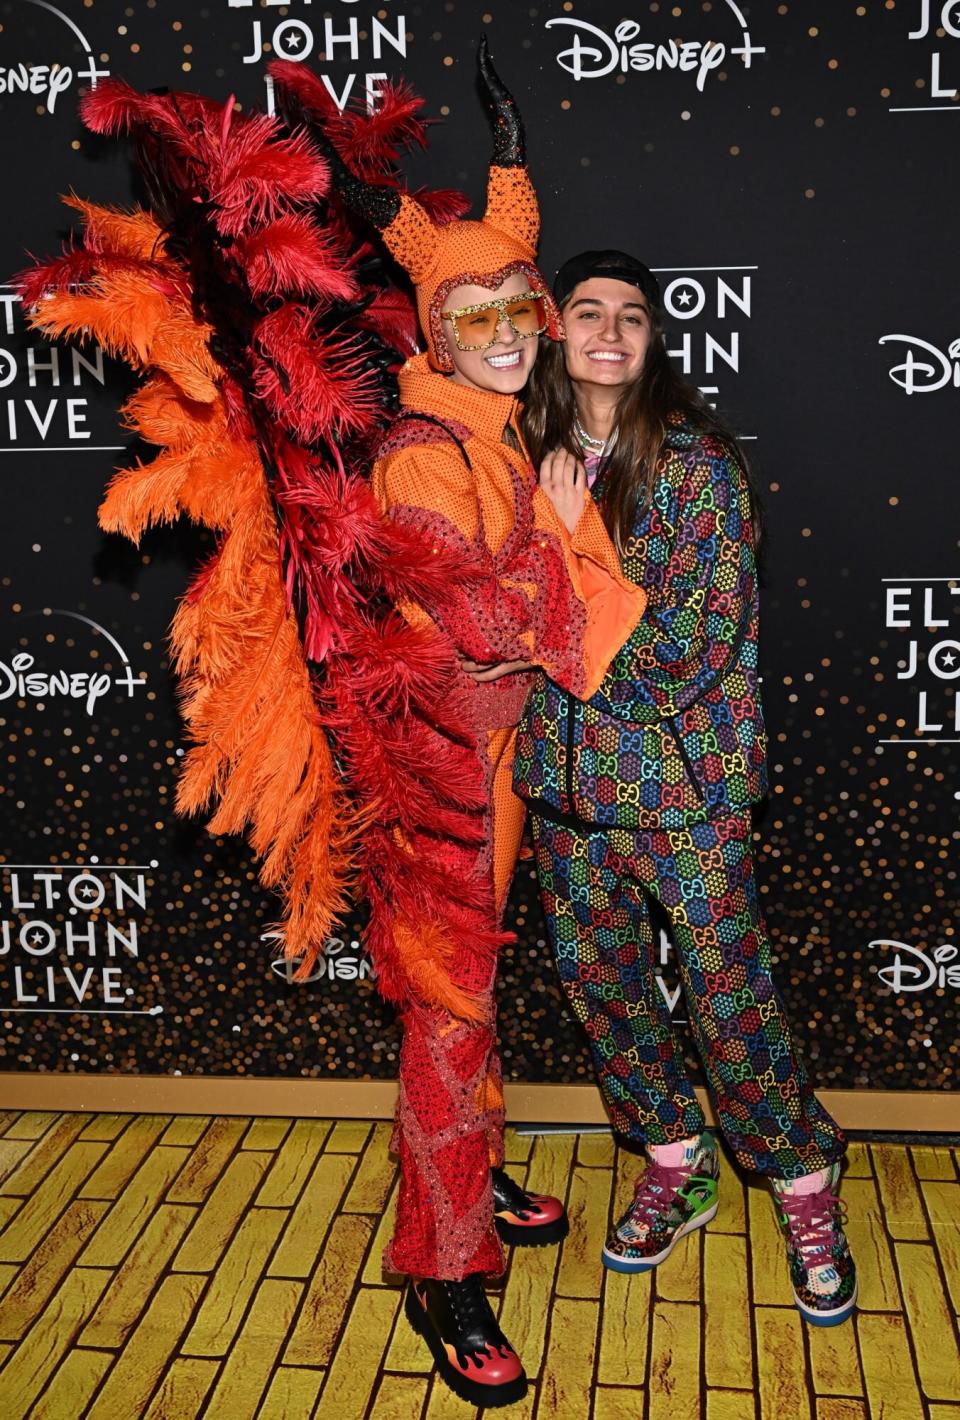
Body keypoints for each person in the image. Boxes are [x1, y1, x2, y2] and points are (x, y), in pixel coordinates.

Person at [323, 65, 647, 1405]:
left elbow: (534, 622)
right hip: (441, 781)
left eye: (525, 306)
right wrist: (570, 534)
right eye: (480, 314)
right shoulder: (420, 453)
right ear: (434, 333)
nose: (515, 331)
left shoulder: (499, 427)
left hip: (495, 767)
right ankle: (446, 1271)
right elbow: (491, 619)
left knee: (470, 1005)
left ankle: (469, 1161)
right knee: (449, 1022)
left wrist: (511, 172)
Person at [512, 249, 858, 1328]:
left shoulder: (695, 465)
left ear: (653, 339)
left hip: (685, 788)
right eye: (587, 311)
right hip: (564, 790)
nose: (608, 330)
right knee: (602, 981)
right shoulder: (516, 448)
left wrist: (564, 553)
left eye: (631, 315)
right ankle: (673, 1154)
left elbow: (688, 647)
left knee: (727, 991)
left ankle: (803, 1184)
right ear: (555, 329)